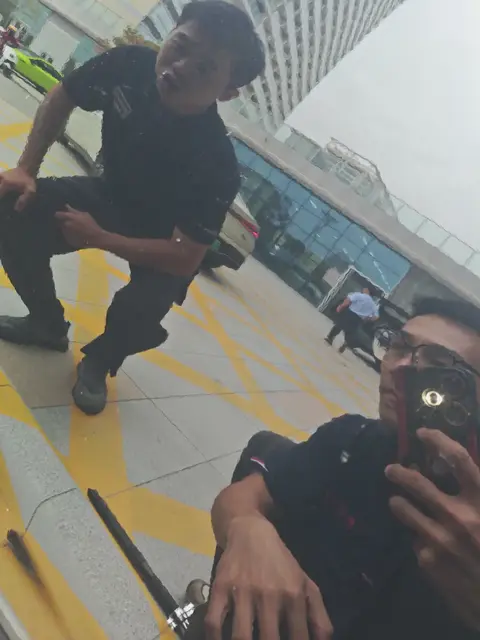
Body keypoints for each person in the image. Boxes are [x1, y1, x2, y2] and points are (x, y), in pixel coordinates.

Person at [0, 1, 265, 415]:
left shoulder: (217, 163)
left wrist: (100, 238)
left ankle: (100, 361)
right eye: (180, 46)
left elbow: (185, 256)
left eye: (204, 68)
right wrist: (25, 170)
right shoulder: (128, 65)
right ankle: (46, 324)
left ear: (228, 90)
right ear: (170, 34)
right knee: (10, 205)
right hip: (109, 194)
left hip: (163, 236)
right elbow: (63, 95)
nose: (179, 67)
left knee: (144, 305)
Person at [189, 297, 480, 639]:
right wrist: (247, 528)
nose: (401, 367)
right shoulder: (353, 439)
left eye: (441, 368)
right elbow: (243, 496)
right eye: (400, 346)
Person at [325, 287, 379, 353]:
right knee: (350, 332)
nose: (363, 289)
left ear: (367, 290)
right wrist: (367, 319)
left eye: (365, 288)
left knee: (339, 325)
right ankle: (345, 344)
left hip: (350, 313)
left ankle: (330, 338)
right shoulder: (373, 305)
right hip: (358, 319)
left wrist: (341, 306)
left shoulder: (359, 295)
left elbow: (348, 300)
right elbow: (376, 316)